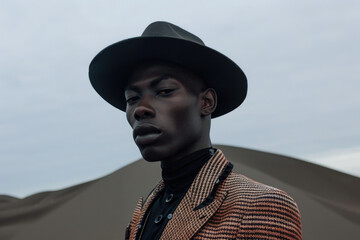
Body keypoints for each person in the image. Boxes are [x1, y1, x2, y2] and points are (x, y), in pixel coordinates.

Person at [89, 21, 302, 240]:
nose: (140, 109)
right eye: (131, 99)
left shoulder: (260, 206)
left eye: (164, 91)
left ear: (206, 102)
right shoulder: (142, 215)